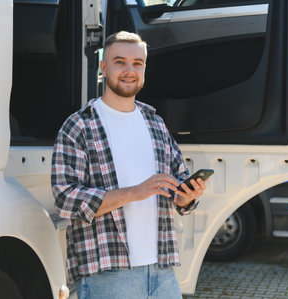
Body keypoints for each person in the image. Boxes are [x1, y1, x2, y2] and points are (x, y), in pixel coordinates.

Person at [51, 31, 206, 298]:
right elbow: (65, 198)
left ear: (144, 68)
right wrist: (134, 192)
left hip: (161, 269)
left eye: (137, 63)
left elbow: (179, 181)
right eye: (119, 61)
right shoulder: (79, 125)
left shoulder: (154, 122)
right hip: (108, 273)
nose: (129, 70)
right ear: (103, 68)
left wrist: (186, 197)